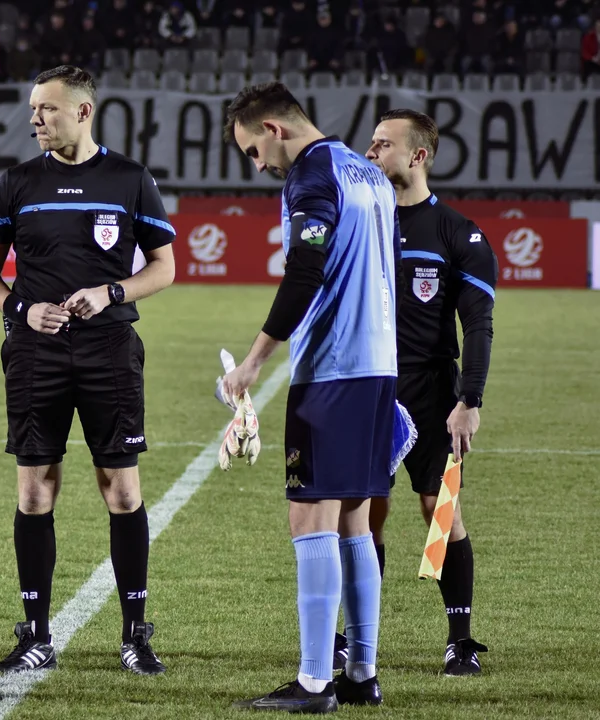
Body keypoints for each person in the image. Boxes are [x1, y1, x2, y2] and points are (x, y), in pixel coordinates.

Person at [0, 65, 176, 675]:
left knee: (121, 488)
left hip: (108, 350)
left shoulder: (129, 179)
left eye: (48, 109)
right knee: (35, 490)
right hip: (35, 353)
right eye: (33, 109)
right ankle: (35, 632)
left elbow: (164, 267)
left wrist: (112, 293)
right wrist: (22, 307)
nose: (35, 118)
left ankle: (135, 633)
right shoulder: (15, 183)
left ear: (83, 112)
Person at [221, 82, 398, 713]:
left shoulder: (313, 176)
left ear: (273, 128)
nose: (259, 166)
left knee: (310, 518)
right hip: (378, 367)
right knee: (354, 518)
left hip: (334, 370)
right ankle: (362, 673)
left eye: (252, 151)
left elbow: (306, 268)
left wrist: (253, 361)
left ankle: (315, 681)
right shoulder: (365, 170)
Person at [365, 109, 497, 676]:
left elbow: (479, 325)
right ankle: (355, 635)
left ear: (417, 156)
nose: (370, 154)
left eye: (382, 144)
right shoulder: (360, 223)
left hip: (433, 391)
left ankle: (460, 639)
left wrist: (469, 402)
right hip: (367, 388)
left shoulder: (457, 233)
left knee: (438, 510)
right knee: (363, 513)